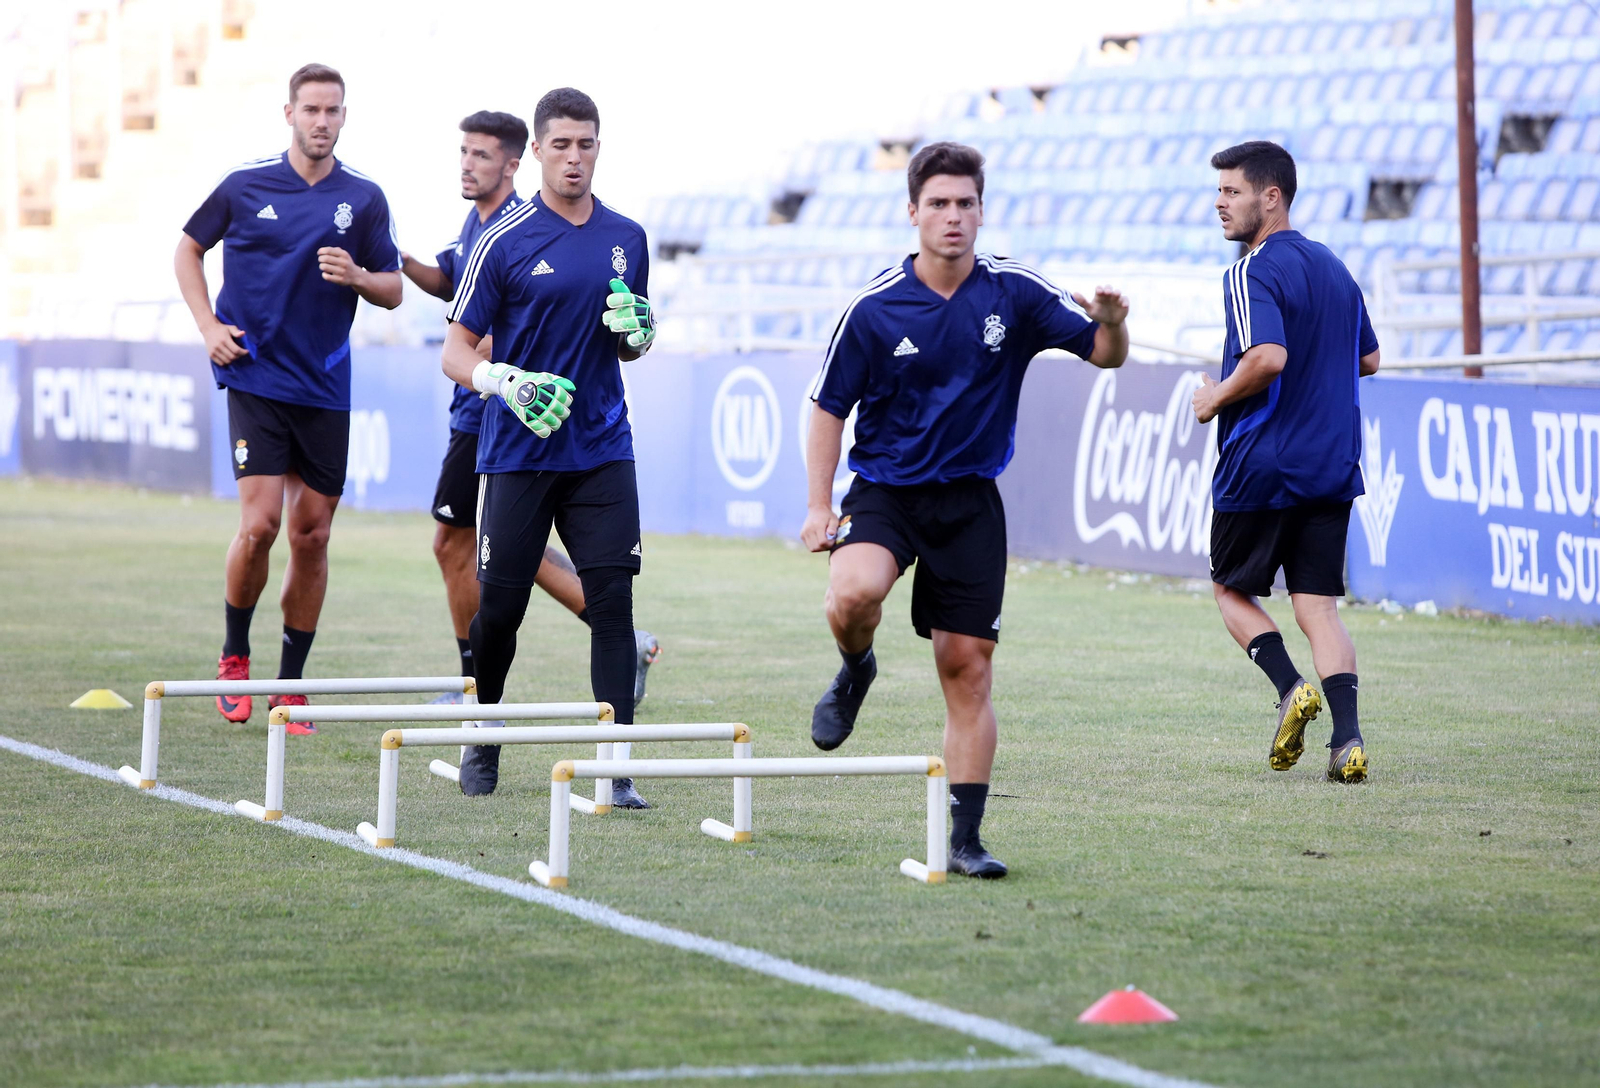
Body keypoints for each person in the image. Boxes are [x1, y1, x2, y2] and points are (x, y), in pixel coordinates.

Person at [801, 141, 1130, 878]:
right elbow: (827, 407)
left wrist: (1111, 321)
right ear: (912, 211)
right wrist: (819, 504)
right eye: (939, 204)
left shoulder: (1012, 291)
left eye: (966, 204)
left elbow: (1106, 355)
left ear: (982, 210)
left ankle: (965, 839)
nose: (953, 217)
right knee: (853, 593)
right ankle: (856, 669)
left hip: (971, 502)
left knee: (966, 668)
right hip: (886, 492)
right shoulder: (874, 307)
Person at [439, 87, 657, 804]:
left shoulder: (628, 237)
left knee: (613, 606)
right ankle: (484, 733)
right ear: (536, 151)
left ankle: (614, 769)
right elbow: (455, 350)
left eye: (585, 144)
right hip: (517, 455)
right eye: (560, 144)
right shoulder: (505, 238)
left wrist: (639, 332)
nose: (574, 158)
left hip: (601, 450)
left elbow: (627, 346)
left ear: (599, 148)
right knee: (499, 613)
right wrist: (503, 381)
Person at [174, 62, 401, 734]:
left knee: (314, 533)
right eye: (311, 110)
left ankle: (290, 685)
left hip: (325, 384)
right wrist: (209, 327)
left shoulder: (363, 198)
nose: (322, 122)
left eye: (333, 111)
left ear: (343, 116)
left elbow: (393, 287)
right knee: (262, 523)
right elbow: (188, 250)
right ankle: (235, 655)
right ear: (289, 114)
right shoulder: (245, 186)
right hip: (255, 375)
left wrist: (358, 275)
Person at [1190, 140, 1380, 784]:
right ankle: (1347, 741)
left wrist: (1214, 397)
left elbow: (1267, 356)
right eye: (1217, 191)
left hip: (1264, 461)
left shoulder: (1251, 269)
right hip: (1331, 463)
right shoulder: (1333, 266)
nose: (1219, 203)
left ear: (1271, 197)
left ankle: (1290, 687)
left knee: (1229, 588)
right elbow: (1370, 359)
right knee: (1318, 608)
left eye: (1231, 191)